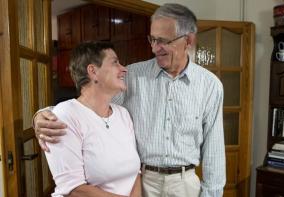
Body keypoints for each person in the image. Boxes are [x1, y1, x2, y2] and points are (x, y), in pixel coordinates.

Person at [34, 3, 226, 197]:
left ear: (188, 40)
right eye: (152, 39)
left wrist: (212, 194)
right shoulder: (132, 75)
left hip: (185, 184)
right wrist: (44, 115)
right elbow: (91, 102)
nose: (154, 48)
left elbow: (214, 150)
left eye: (163, 41)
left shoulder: (210, 86)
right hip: (144, 182)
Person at [44, 41, 141, 197]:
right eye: (115, 62)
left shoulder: (123, 114)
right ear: (93, 71)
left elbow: (136, 172)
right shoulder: (66, 115)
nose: (124, 69)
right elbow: (74, 189)